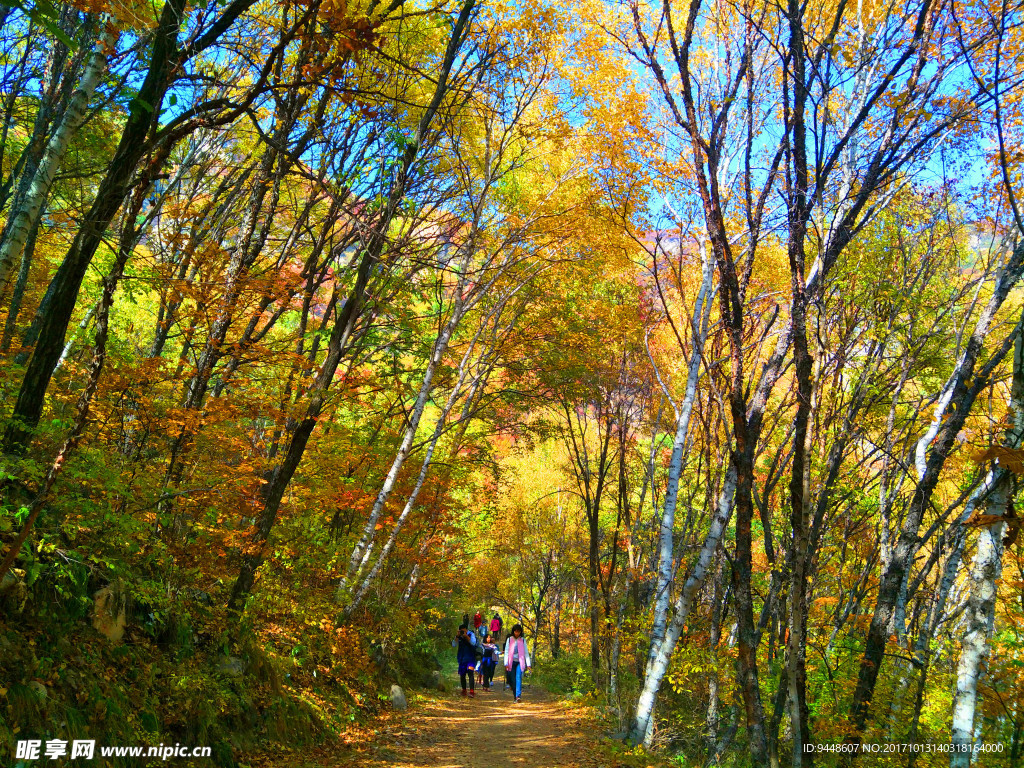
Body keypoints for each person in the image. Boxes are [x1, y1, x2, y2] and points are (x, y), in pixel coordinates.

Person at [503, 624, 531, 703]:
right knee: (512, 680)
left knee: (518, 677)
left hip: (520, 661)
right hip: (511, 662)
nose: (517, 633)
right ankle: (515, 695)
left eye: (518, 631)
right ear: (513, 631)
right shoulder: (509, 640)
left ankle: (518, 696)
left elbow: (526, 652)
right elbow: (507, 652)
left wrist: (528, 664)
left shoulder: (522, 640)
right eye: (515, 631)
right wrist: (506, 663)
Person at [452, 624, 477, 697]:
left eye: (463, 631)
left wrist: (466, 636)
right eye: (461, 631)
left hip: (471, 658)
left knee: (470, 673)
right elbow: (454, 645)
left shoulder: (471, 634)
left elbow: (473, 643)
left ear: (466, 630)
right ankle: (464, 690)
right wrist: (457, 636)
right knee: (462, 675)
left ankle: (472, 691)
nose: (462, 632)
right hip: (462, 658)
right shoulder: (458, 636)